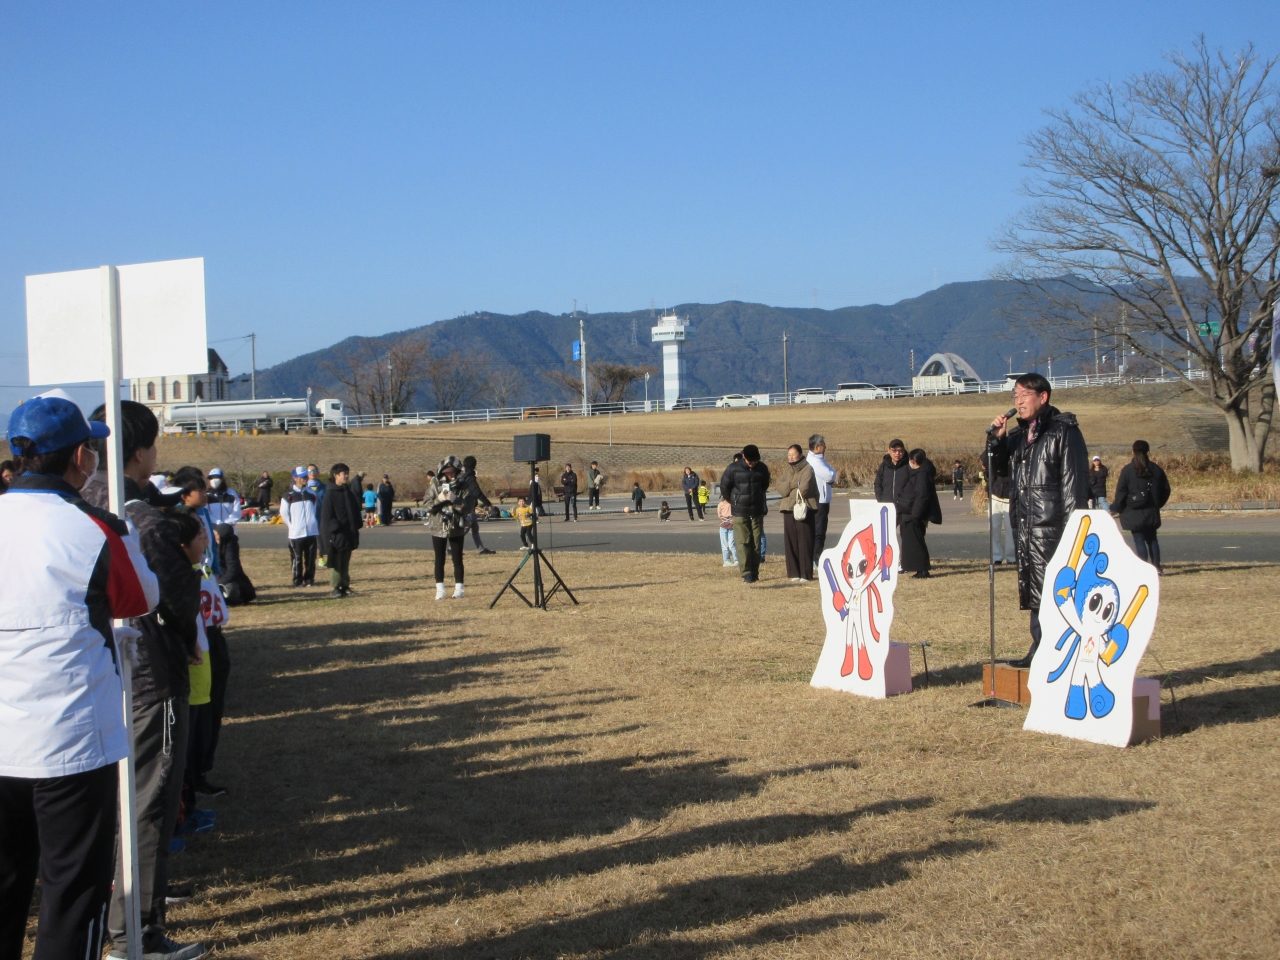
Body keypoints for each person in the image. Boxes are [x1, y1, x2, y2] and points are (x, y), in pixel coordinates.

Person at [0, 396, 160, 960]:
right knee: (72, 894)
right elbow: (140, 597)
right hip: (69, 741)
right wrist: (125, 537)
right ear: (78, 457)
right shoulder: (93, 529)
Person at [84, 401, 205, 960]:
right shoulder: (144, 523)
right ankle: (138, 930)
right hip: (150, 677)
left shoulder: (80, 505)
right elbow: (178, 602)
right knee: (149, 799)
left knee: (110, 804)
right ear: (139, 452)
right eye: (153, 444)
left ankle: (118, 920)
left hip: (95, 676)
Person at [988, 373, 1090, 666]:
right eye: (1015, 396)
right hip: (1026, 527)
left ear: (1043, 397)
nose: (1018, 402)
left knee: (1058, 590)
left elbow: (1073, 484)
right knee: (1036, 590)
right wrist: (996, 441)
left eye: (1024, 395)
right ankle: (1039, 647)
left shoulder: (1063, 431)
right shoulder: (1021, 436)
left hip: (1054, 527)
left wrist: (1075, 532)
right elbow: (996, 469)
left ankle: (1062, 651)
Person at [1110, 440, 1171, 573]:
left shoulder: (1127, 470)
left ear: (1133, 452)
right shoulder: (1156, 469)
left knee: (1139, 540)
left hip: (1133, 510)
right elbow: (1166, 490)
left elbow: (1121, 492)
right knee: (1152, 540)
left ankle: (1144, 569)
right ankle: (1157, 567)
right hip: (1151, 510)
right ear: (1148, 452)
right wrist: (1157, 504)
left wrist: (1117, 507)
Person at [719, 444, 771, 584]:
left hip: (757, 511)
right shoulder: (733, 469)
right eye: (750, 462)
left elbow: (765, 485)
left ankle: (754, 572)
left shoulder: (762, 468)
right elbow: (724, 487)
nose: (753, 464)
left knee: (756, 542)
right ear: (744, 457)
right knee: (743, 542)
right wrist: (734, 501)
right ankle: (746, 572)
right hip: (740, 512)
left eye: (755, 462)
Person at [427, 456, 475, 599]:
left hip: (456, 526)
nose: (450, 475)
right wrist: (439, 499)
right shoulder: (435, 485)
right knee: (439, 558)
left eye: (452, 472)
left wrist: (456, 499)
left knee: (457, 558)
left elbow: (469, 507)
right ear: (441, 471)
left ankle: (459, 589)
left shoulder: (464, 485)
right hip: (438, 526)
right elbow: (428, 506)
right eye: (447, 472)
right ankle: (440, 590)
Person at [775, 443, 819, 581]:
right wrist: (794, 484)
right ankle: (793, 573)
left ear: (800, 454)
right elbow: (779, 487)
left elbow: (804, 488)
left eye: (794, 454)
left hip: (804, 508)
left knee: (804, 540)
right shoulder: (787, 470)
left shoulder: (808, 469)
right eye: (789, 455)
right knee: (791, 541)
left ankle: (805, 574)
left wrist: (789, 491)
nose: (791, 457)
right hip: (788, 509)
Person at [318, 462, 362, 598]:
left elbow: (355, 510)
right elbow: (326, 517)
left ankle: (345, 585)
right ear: (335, 475)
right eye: (344, 474)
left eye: (347, 473)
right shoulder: (330, 493)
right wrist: (335, 527)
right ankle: (336, 587)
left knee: (345, 560)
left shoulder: (347, 491)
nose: (347, 476)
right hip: (337, 534)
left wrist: (356, 525)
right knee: (336, 562)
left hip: (348, 532)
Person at [896, 449, 942, 578]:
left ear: (913, 461)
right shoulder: (919, 473)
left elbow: (922, 496)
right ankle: (917, 568)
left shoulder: (922, 475)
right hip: (909, 513)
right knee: (912, 542)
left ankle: (922, 569)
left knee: (916, 543)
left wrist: (915, 515)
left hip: (914, 515)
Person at [280, 466, 319, 587]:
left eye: (306, 477)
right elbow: (284, 514)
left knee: (311, 557)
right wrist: (292, 526)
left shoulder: (312, 494)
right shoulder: (288, 496)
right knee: (297, 558)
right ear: (295, 478)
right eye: (302, 477)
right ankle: (297, 579)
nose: (305, 479)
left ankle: (309, 579)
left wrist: (313, 523)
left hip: (311, 531)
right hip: (296, 533)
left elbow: (315, 510)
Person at [981, 449, 1015, 565]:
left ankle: (1012, 557)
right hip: (995, 493)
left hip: (1010, 495)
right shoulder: (992, 450)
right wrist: (991, 440)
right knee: (993, 528)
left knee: (1011, 529)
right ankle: (996, 557)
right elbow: (984, 459)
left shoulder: (1013, 448)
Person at [806, 435, 837, 560]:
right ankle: (815, 558)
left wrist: (832, 475)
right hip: (819, 500)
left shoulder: (819, 459)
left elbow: (831, 473)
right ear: (817, 447)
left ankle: (815, 556)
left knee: (820, 530)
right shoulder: (814, 461)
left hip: (823, 499)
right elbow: (830, 475)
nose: (826, 447)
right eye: (824, 444)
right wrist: (832, 476)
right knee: (818, 531)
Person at [461, 456, 496, 554]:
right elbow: (477, 492)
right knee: (465, 529)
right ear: (474, 465)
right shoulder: (470, 478)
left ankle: (480, 548)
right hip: (467, 507)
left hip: (467, 506)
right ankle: (452, 548)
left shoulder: (463, 476)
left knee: (475, 528)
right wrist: (489, 504)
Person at [215, 523, 256, 605]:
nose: (214, 533)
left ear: (219, 535)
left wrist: (218, 583)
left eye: (216, 532)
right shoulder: (214, 543)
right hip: (220, 574)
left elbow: (233, 569)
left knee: (231, 590)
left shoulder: (230, 546)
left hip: (231, 578)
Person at [874, 440, 911, 504]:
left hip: (904, 507)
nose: (897, 453)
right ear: (889, 451)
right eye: (894, 450)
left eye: (900, 450)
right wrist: (880, 499)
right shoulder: (884, 466)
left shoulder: (909, 466)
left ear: (904, 451)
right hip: (887, 506)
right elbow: (878, 484)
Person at [716, 494, 738, 566]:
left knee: (731, 544)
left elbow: (735, 514)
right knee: (724, 545)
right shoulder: (721, 504)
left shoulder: (733, 504)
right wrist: (725, 519)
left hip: (732, 527)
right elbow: (719, 514)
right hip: (723, 527)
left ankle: (737, 559)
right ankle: (726, 560)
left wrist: (733, 520)